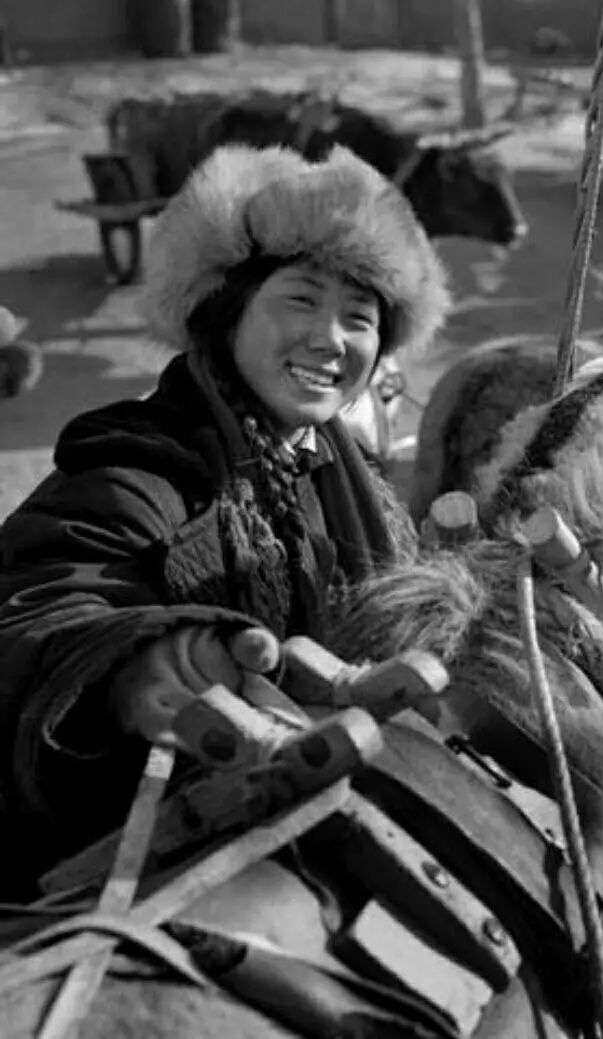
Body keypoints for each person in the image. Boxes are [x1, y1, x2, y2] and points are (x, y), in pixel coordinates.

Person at [0, 143, 451, 886]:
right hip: (162, 857)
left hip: (337, 812)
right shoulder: (141, 469)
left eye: (359, 317)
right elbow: (40, 602)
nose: (329, 338)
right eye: (301, 299)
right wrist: (142, 662)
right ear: (225, 315)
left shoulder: (355, 477)